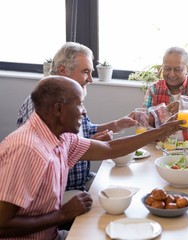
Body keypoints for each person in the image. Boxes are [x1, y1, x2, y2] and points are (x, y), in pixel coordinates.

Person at [0, 76, 184, 240]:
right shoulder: (26, 148)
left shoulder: (61, 137)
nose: (84, 112)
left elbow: (108, 148)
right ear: (58, 109)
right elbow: (2, 225)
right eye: (79, 104)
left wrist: (160, 132)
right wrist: (62, 214)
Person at [17, 42, 138, 192]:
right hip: (60, 191)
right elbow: (45, 156)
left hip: (82, 182)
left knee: (127, 188)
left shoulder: (71, 98)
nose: (91, 79)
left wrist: (117, 124)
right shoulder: (41, 106)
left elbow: (84, 131)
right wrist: (87, 146)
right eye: (85, 71)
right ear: (63, 71)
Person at [143, 46, 188, 142]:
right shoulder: (153, 89)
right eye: (167, 69)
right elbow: (145, 123)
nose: (172, 74)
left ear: (187, 69)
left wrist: (186, 107)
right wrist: (153, 119)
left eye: (178, 69)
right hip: (162, 149)